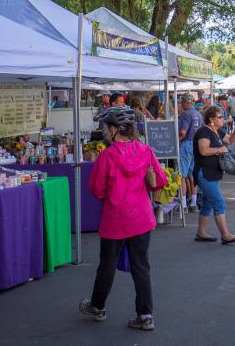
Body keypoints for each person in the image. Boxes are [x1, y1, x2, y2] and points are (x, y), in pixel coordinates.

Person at [79, 106, 167, 331]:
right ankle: (145, 315)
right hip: (141, 217)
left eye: (108, 128)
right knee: (141, 267)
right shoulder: (146, 151)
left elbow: (97, 190)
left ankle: (98, 306)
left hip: (115, 218)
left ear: (115, 129)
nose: (106, 132)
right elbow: (159, 181)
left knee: (107, 265)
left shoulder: (107, 156)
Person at [193, 105, 235, 244]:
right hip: (204, 173)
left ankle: (201, 232)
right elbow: (203, 151)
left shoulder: (218, 132)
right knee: (219, 202)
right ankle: (225, 234)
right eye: (220, 117)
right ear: (211, 119)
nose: (223, 119)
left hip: (213, 173)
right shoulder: (204, 132)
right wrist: (219, 150)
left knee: (208, 204)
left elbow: (230, 141)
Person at [178, 94, 203, 213]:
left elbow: (182, 132)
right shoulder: (198, 114)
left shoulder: (186, 114)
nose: (181, 104)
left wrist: (177, 141)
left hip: (186, 144)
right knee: (192, 175)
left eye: (182, 102)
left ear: (186, 103)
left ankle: (183, 205)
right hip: (196, 144)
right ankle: (193, 203)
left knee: (182, 175)